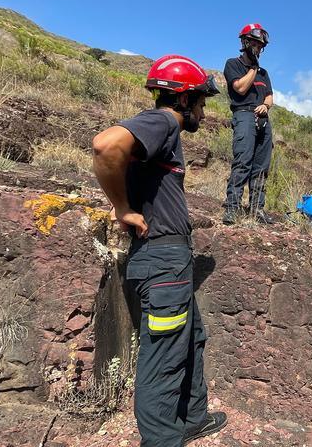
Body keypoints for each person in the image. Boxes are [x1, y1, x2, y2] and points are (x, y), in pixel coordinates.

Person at [92, 55, 227, 446]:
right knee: (164, 359)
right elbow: (105, 146)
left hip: (171, 263)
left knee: (191, 337)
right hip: (162, 261)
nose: (203, 109)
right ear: (183, 100)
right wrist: (123, 208)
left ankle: (193, 418)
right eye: (201, 100)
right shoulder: (164, 121)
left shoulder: (162, 135)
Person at [222, 23, 274, 225]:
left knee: (261, 166)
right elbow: (240, 88)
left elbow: (270, 96)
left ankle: (256, 209)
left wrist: (265, 106)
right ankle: (232, 208)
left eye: (260, 45)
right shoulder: (233, 64)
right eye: (254, 43)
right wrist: (253, 67)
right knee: (243, 161)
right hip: (243, 114)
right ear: (245, 42)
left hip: (263, 118)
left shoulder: (264, 73)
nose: (258, 48)